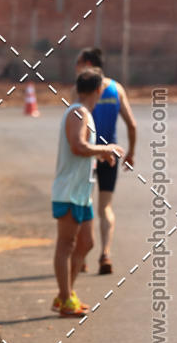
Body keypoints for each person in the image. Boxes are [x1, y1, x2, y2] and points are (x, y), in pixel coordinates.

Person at [52, 69, 124, 317]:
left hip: (82, 192)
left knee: (87, 242)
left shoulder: (84, 113)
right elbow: (78, 146)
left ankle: (67, 294)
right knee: (66, 244)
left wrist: (101, 153)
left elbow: (82, 147)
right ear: (98, 90)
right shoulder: (78, 113)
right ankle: (64, 298)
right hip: (69, 191)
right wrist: (106, 148)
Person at [75, 47, 137, 274]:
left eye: (79, 62)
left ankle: (81, 257)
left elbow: (75, 126)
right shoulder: (116, 88)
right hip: (111, 154)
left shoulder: (82, 90)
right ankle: (105, 254)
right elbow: (132, 124)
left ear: (88, 63)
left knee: (84, 204)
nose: (76, 67)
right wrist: (131, 153)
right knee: (106, 207)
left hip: (89, 155)